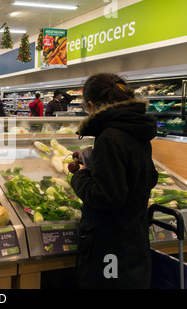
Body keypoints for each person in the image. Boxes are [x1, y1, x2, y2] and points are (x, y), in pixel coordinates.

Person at [70, 73, 159, 289]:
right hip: (133, 239)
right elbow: (149, 176)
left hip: (111, 247)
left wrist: (80, 175)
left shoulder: (110, 136)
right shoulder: (136, 129)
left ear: (91, 104)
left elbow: (107, 197)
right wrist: (95, 162)